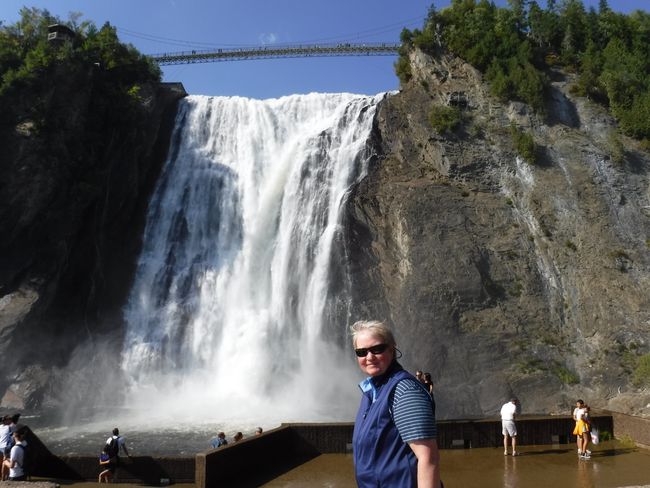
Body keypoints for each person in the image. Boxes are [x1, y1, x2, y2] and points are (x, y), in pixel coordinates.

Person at [351, 320, 440, 488]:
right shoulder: (371, 392)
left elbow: (428, 457)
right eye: (361, 352)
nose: (369, 357)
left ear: (392, 349)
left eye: (377, 349)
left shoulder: (404, 390)